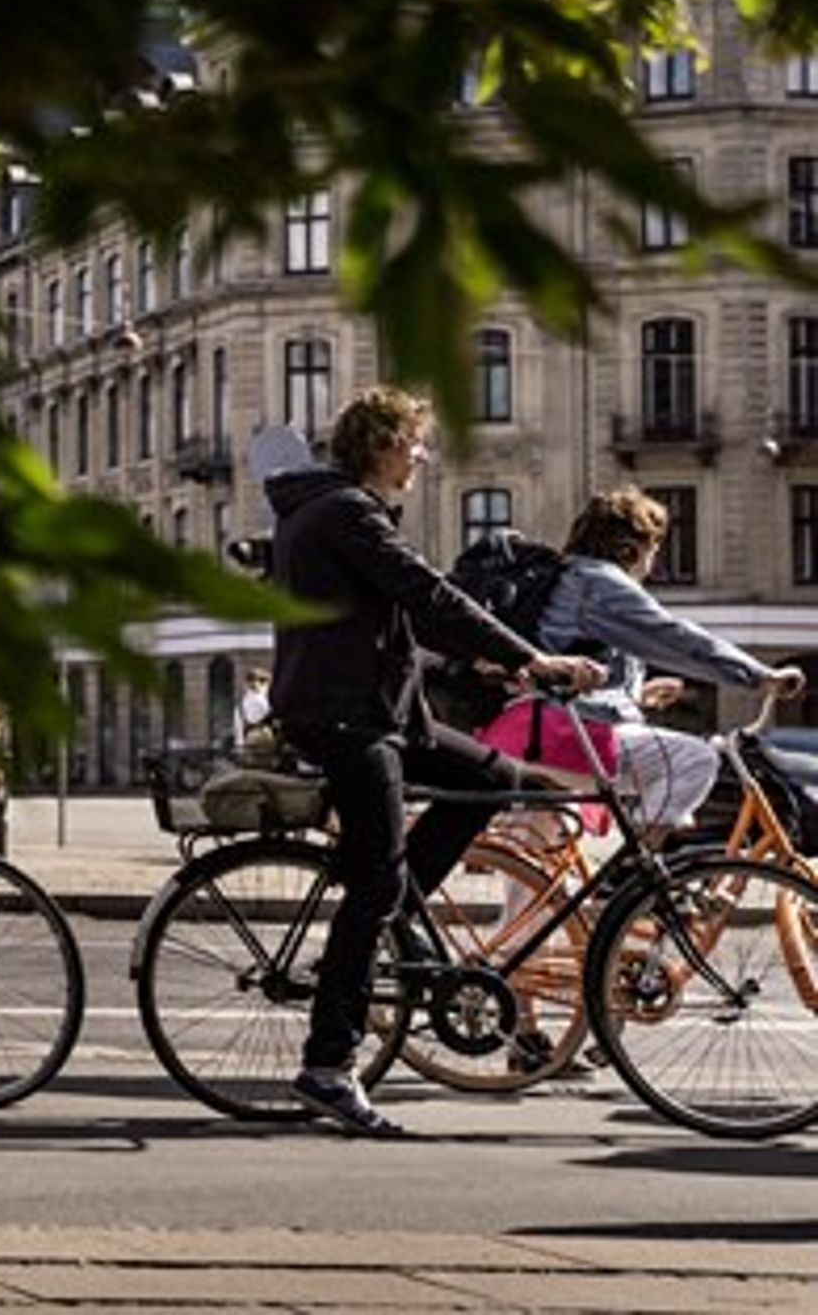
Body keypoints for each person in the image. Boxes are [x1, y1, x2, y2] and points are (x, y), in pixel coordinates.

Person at [265, 387, 602, 1136]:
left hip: (375, 711)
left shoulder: (325, 509)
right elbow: (429, 596)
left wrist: (480, 667)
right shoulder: (346, 512)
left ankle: (392, 918)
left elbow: (386, 627)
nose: (421, 456)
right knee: (375, 877)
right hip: (346, 720)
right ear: (383, 445)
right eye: (414, 442)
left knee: (493, 778)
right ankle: (328, 1066)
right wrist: (532, 658)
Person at [533, 487, 805, 842]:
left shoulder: (567, 578)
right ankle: (637, 867)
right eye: (653, 549)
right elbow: (676, 638)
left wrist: (638, 697)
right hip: (561, 732)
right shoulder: (599, 582)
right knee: (695, 760)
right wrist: (760, 676)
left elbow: (577, 663)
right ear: (630, 548)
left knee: (539, 852)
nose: (653, 563)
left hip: (533, 726)